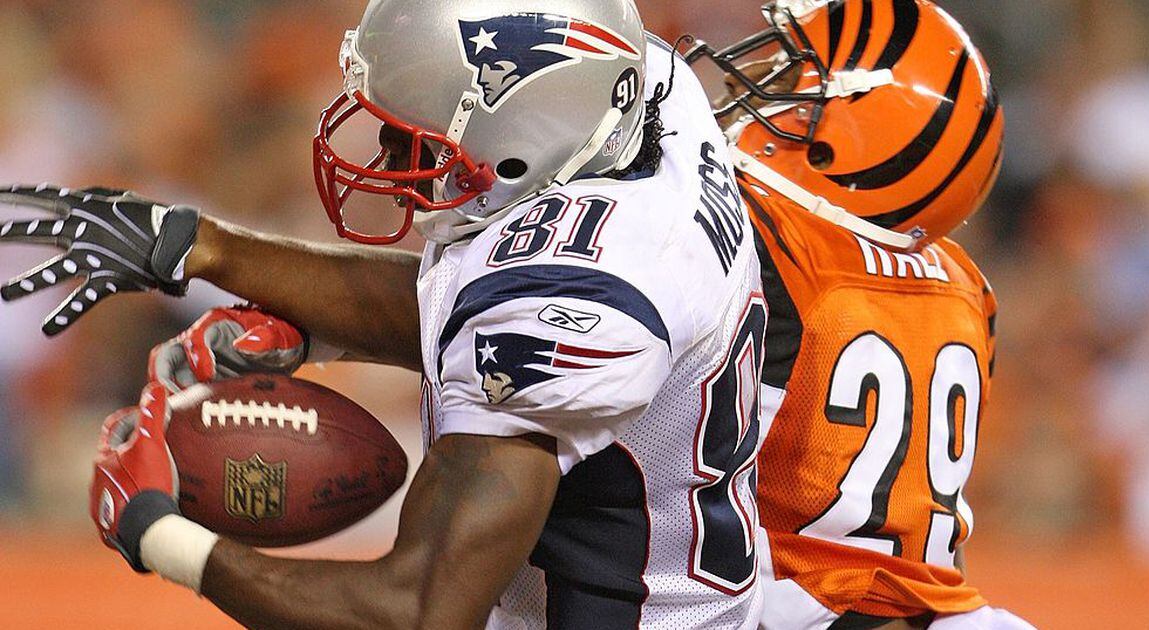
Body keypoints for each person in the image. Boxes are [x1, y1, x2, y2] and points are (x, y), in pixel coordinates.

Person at [0, 1, 767, 628]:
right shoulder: (643, 97)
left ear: (520, 141)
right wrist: (199, 249)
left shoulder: (576, 305)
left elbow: (420, 610)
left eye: (418, 136)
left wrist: (156, 533)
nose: (394, 157)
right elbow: (490, 303)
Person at [688, 1, 1033, 628]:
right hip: (929, 607)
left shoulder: (767, 241)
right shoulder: (965, 282)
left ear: (848, 140)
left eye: (797, 83)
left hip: (786, 603)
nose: (757, 89)